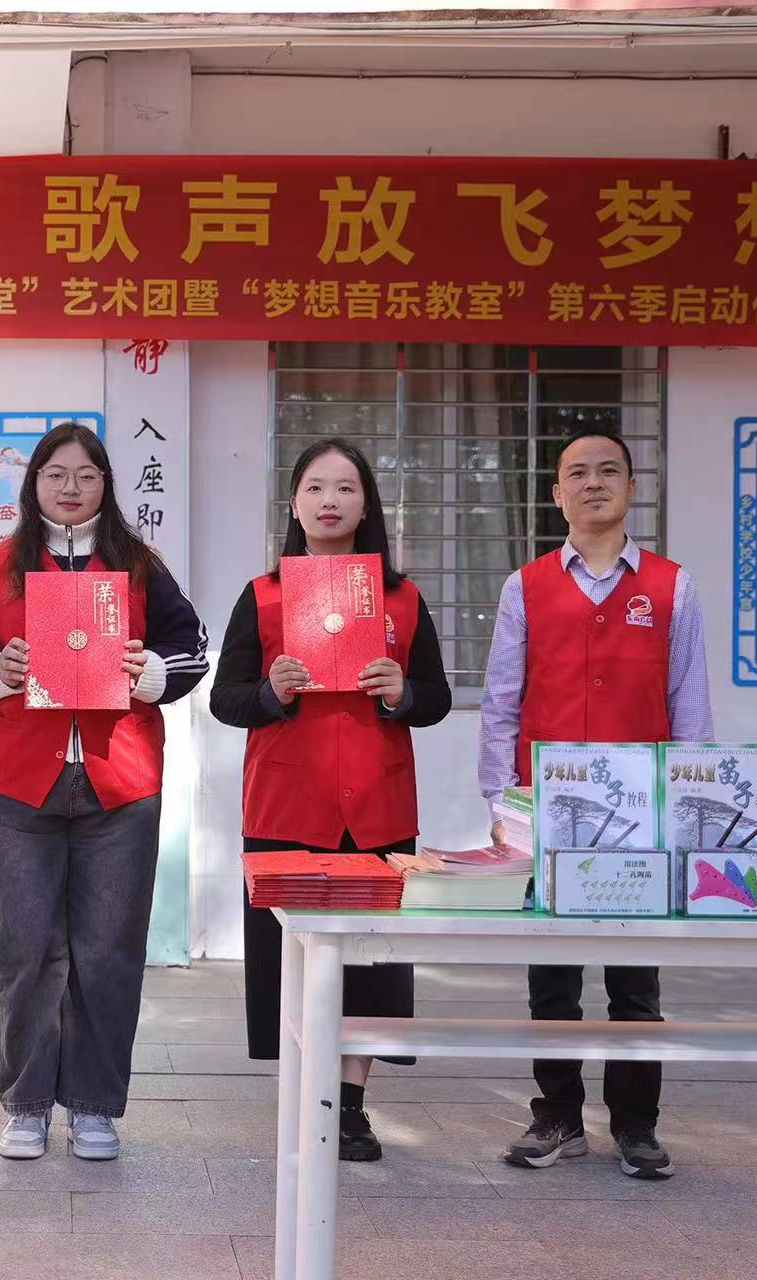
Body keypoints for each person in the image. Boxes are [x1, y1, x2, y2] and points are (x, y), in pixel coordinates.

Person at [0, 422, 208, 1162]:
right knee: (24, 947)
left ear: (106, 486)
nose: (70, 487)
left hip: (120, 779)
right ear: (33, 484)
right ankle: (26, 1106)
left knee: (108, 949)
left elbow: (191, 650)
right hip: (18, 781)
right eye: (55, 474)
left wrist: (150, 670)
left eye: (86, 475)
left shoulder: (140, 565)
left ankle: (94, 1106)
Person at [477, 427, 713, 1181]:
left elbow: (691, 705)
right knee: (551, 978)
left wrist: (691, 807)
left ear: (632, 488)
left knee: (635, 983)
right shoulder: (526, 586)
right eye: (577, 473)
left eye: (609, 470)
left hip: (644, 820)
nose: (593, 483)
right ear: (557, 494)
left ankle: (637, 1126)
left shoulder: (674, 587)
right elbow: (502, 699)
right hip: (548, 813)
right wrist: (500, 801)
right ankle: (557, 1116)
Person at [209, 438, 452, 1161]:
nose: (330, 501)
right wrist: (271, 693)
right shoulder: (263, 595)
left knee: (370, 964)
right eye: (315, 487)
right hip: (288, 803)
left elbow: (436, 696)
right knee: (288, 956)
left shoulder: (402, 598)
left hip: (377, 805)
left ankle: (349, 1106)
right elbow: (225, 699)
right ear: (294, 504)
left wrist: (402, 693)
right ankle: (303, 1091)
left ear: (366, 504)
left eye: (346, 487)